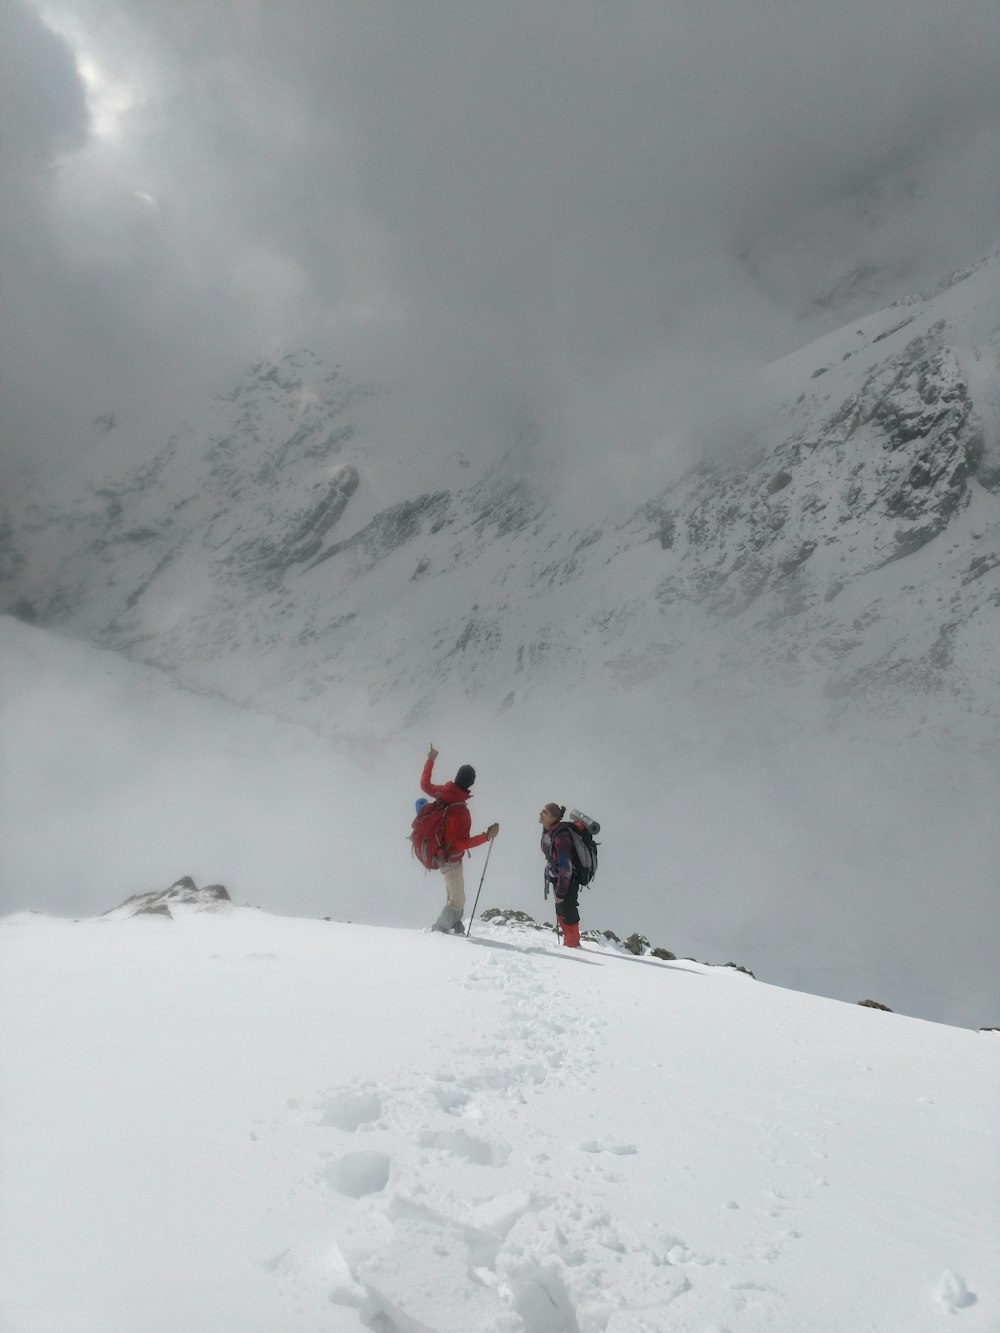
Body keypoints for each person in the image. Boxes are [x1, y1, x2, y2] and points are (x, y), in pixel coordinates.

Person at [421, 744, 499, 933]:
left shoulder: (443, 793)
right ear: (471, 783)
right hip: (451, 858)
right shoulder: (461, 811)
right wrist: (487, 836)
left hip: (439, 854)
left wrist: (430, 759)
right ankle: (440, 928)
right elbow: (461, 843)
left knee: (453, 894)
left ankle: (454, 923)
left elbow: (424, 784)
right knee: (458, 899)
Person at [539, 802, 581, 947]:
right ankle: (569, 944)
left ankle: (573, 946)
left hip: (566, 881)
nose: (540, 814)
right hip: (557, 878)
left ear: (553, 817)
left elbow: (566, 867)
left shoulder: (561, 836)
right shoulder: (548, 831)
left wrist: (560, 893)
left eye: (544, 812)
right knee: (562, 911)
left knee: (567, 912)